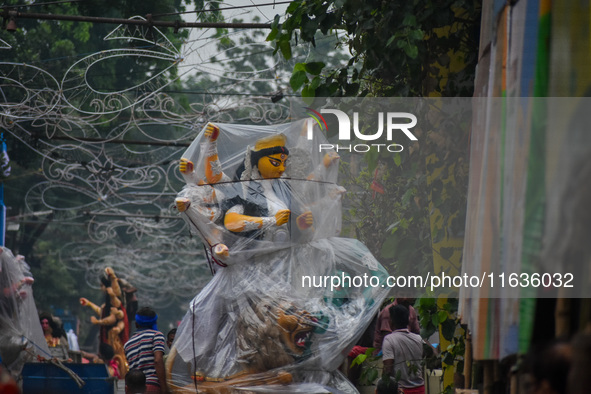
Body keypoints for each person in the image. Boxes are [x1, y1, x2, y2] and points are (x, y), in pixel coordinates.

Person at [382, 304, 425, 394]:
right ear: (408, 320)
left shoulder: (389, 339)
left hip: (400, 390)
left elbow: (388, 370)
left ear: (391, 321)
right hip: (420, 389)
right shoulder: (418, 339)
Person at [124, 307, 168, 394]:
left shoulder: (127, 344)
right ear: (154, 322)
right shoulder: (156, 336)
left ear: (136, 324)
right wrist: (164, 388)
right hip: (152, 386)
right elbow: (158, 360)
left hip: (133, 388)